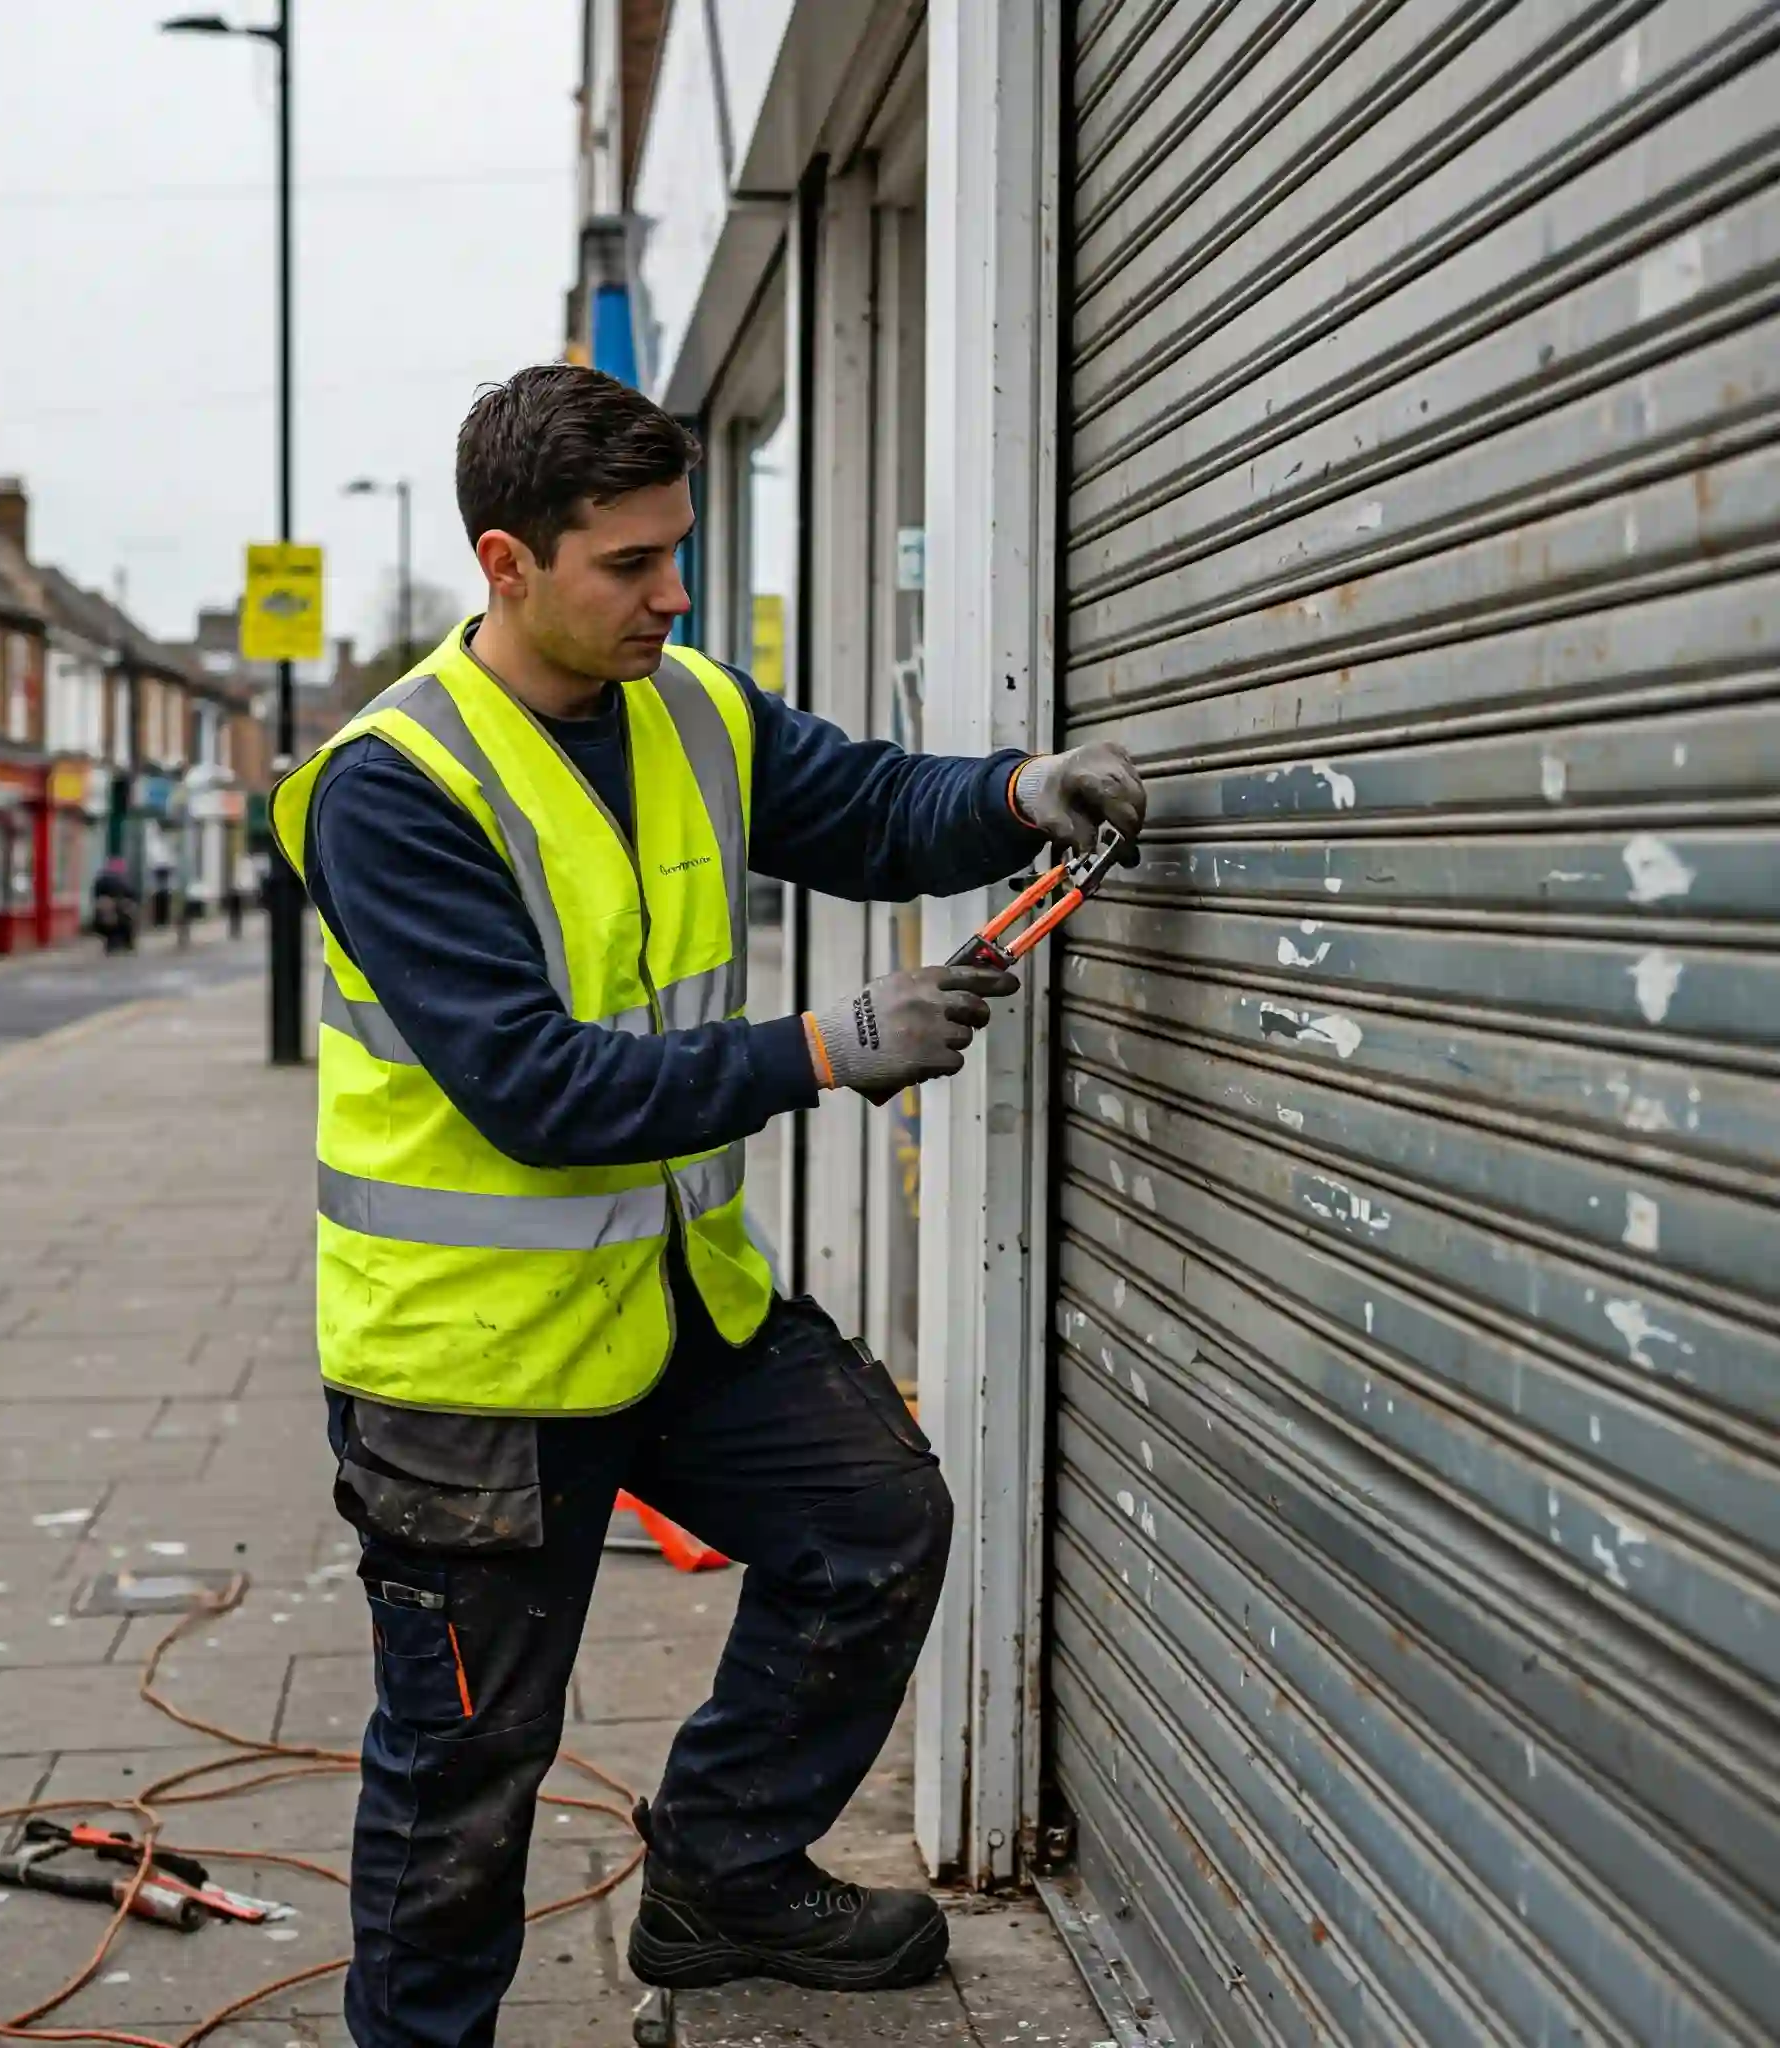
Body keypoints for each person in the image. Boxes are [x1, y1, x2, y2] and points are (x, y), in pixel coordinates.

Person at [268, 364, 1144, 2048]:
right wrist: (827, 1044)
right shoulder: (395, 788)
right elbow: (534, 1086)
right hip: (473, 1372)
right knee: (463, 1783)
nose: (672, 591)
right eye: (629, 562)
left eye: (681, 549)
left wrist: (1018, 790)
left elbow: (867, 801)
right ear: (506, 561)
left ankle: (722, 1873)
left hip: (671, 1306)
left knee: (872, 1521)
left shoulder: (682, 703)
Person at [90, 856, 137, 954]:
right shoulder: (122, 880)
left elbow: (96, 894)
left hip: (112, 908)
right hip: (116, 908)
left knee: (117, 921)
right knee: (125, 920)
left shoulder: (103, 879)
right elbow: (131, 894)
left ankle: (115, 943)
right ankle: (125, 943)